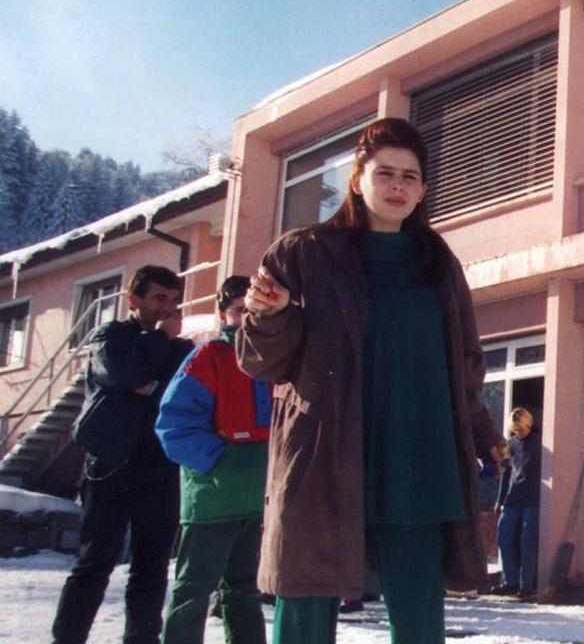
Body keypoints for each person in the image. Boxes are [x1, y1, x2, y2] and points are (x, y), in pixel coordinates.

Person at [236, 118, 501, 644]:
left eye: (410, 176)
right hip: (326, 452)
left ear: (424, 188)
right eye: (385, 173)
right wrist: (272, 316)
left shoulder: (437, 263)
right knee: (306, 595)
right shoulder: (303, 252)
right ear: (357, 179)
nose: (398, 186)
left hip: (418, 456)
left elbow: (464, 364)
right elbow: (258, 361)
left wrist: (481, 434)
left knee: (418, 614)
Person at [52, 264, 192, 644]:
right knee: (95, 563)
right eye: (159, 298)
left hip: (160, 468)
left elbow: (179, 393)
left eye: (174, 300)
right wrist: (157, 345)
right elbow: (123, 373)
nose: (168, 307)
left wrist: (151, 378)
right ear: (134, 300)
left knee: (151, 567)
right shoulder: (110, 335)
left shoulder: (182, 348)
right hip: (110, 463)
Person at [155, 275, 271, 644]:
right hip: (212, 499)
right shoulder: (209, 357)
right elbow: (174, 425)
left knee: (245, 591)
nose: (248, 318)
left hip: (257, 500)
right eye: (240, 311)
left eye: (255, 311)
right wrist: (217, 462)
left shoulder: (273, 359)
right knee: (193, 590)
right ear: (223, 314)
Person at [492, 408, 541, 599]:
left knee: (527, 541)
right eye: (514, 430)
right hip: (513, 499)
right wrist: (499, 499)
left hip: (532, 499)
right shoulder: (511, 444)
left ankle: (526, 584)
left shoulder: (539, 445)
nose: (517, 433)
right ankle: (510, 581)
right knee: (504, 536)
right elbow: (506, 474)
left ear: (528, 425)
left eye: (520, 429)